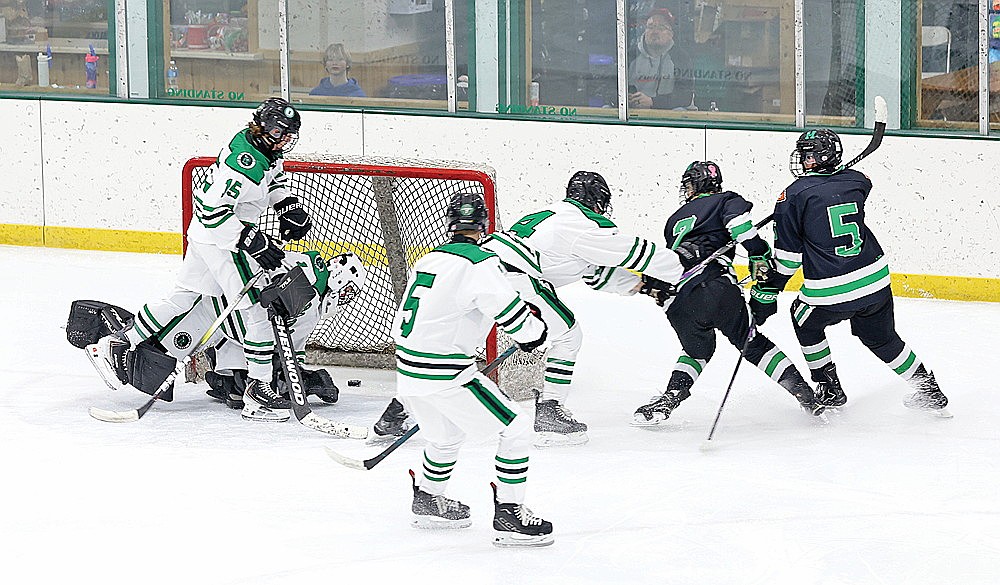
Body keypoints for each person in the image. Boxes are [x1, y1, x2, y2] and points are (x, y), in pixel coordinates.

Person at [87, 97, 312, 423]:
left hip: (208, 236)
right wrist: (252, 241)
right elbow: (211, 210)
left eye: (290, 134)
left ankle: (118, 342)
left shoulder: (265, 149)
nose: (285, 140)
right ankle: (258, 391)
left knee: (183, 297)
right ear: (264, 128)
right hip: (222, 238)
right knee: (260, 309)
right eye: (281, 132)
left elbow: (273, 179)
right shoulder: (243, 162)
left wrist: (286, 206)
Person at [392, 191, 554, 547]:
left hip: (407, 371)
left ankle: (428, 499)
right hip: (445, 374)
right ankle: (510, 512)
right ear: (484, 226)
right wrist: (534, 332)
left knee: (446, 437)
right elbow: (510, 314)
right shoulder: (480, 262)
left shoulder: (429, 258)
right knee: (516, 427)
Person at [750, 129, 951, 415]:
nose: (803, 160)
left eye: (808, 155)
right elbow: (861, 183)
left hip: (832, 288)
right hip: (875, 280)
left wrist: (769, 288)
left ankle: (829, 387)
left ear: (820, 158)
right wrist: (832, 178)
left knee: (802, 318)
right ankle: (928, 389)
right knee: (883, 339)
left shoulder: (792, 196)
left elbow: (788, 261)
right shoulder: (857, 181)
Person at [479, 170, 687, 446]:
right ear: (598, 201)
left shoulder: (552, 216)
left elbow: (596, 273)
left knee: (451, 350)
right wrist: (680, 269)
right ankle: (551, 411)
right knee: (568, 335)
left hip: (479, 273)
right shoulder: (582, 225)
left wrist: (644, 285)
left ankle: (405, 410)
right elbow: (631, 250)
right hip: (515, 276)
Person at [631, 161, 826, 426]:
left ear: (696, 185)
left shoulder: (674, 220)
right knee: (754, 344)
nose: (686, 190)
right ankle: (806, 397)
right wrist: (758, 252)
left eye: (688, 184)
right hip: (716, 289)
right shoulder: (725, 200)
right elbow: (740, 227)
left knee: (697, 352)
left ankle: (670, 397)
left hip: (676, 300)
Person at [628, 8, 695, 110]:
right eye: (650, 26)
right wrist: (627, 98)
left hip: (668, 115)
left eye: (661, 27)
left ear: (671, 34)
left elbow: (685, 96)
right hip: (633, 113)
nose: (655, 31)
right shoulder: (629, 56)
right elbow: (609, 88)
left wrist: (652, 102)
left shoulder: (681, 58)